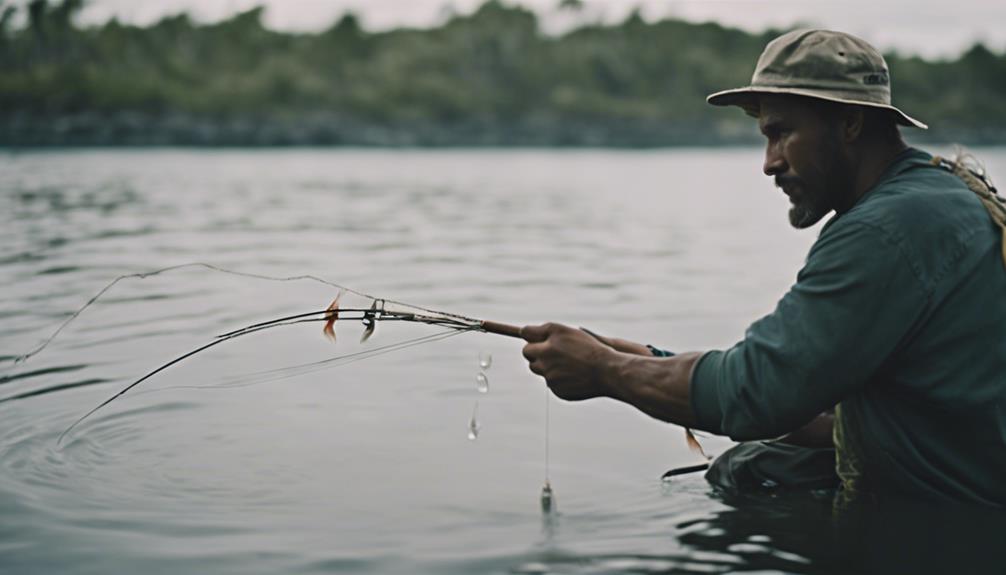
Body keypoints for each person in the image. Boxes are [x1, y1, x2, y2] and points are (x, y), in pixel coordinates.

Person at [519, 29, 1006, 505]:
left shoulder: (885, 229)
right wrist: (649, 360)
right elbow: (808, 398)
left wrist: (604, 370)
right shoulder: (943, 195)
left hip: (959, 517)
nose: (769, 163)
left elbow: (758, 395)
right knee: (752, 464)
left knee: (745, 470)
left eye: (781, 133)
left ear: (851, 123)